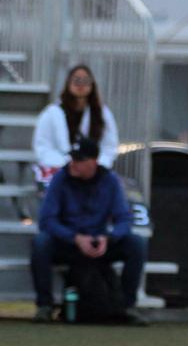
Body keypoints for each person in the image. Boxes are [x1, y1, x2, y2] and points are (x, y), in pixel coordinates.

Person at [29, 137, 148, 325]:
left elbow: (124, 218)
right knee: (41, 243)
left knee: (136, 244)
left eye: (79, 160)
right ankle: (45, 306)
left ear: (93, 162)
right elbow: (47, 220)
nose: (73, 164)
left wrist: (108, 238)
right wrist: (74, 238)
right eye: (72, 159)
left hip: (98, 242)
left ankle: (127, 306)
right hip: (68, 243)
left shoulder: (110, 181)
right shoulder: (60, 179)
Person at [32, 65, 120, 186]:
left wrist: (94, 165)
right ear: (68, 83)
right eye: (76, 80)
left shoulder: (102, 114)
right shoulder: (51, 114)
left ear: (92, 85)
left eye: (85, 81)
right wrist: (67, 164)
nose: (81, 84)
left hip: (94, 173)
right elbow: (43, 146)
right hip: (59, 172)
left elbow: (109, 146)